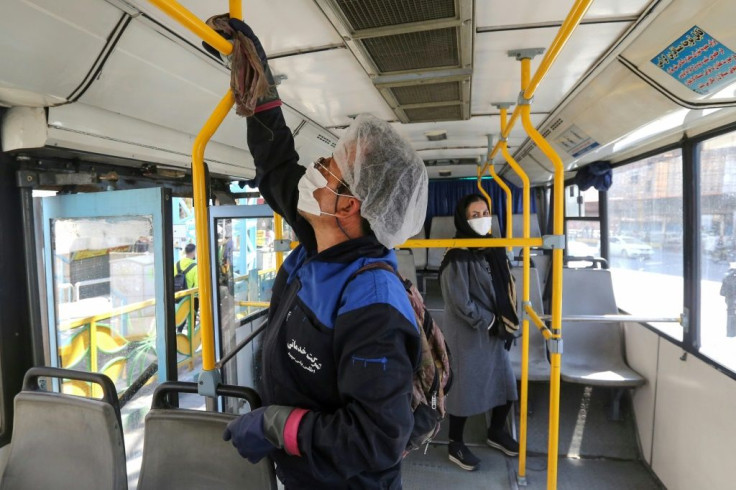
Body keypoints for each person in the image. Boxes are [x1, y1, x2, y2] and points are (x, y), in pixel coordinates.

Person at [215, 19, 429, 489]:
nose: (315, 168)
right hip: (302, 473)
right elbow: (277, 169)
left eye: (329, 165)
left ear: (349, 205)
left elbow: (375, 439)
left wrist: (277, 425)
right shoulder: (321, 245)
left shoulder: (373, 303)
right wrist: (261, 102)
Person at [439, 194, 519, 471]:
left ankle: (496, 432)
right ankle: (455, 444)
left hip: (496, 330)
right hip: (469, 332)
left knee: (506, 384)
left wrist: (504, 319)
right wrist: (488, 321)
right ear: (463, 219)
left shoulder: (494, 248)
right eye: (475, 215)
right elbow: (459, 300)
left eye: (485, 212)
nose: (482, 217)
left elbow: (506, 285)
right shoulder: (457, 255)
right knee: (464, 389)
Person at [175, 243, 198, 332]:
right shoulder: (195, 267)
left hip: (179, 295)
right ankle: (191, 334)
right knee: (192, 316)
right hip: (191, 297)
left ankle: (179, 332)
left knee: (181, 314)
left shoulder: (177, 264)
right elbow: (197, 286)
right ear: (193, 253)